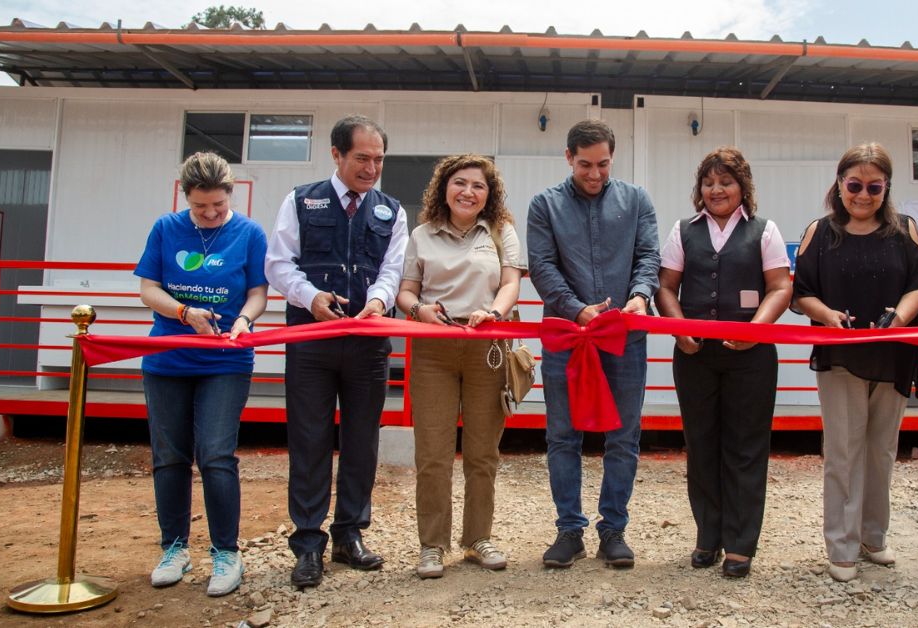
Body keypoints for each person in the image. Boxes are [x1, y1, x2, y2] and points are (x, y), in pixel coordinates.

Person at [265, 115, 409, 589]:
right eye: (362, 158)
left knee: (362, 441)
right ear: (337, 155)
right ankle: (308, 544)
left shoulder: (392, 211)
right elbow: (278, 263)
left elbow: (392, 269)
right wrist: (311, 298)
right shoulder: (301, 200)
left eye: (378, 159)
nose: (371, 168)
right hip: (311, 341)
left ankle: (350, 535)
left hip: (368, 343)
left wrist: (376, 302)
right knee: (309, 440)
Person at [792, 143, 918, 582]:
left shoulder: (904, 230)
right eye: (854, 185)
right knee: (843, 451)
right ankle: (842, 544)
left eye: (874, 186)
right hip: (841, 356)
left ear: (886, 188)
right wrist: (828, 316)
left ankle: (874, 536)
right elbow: (801, 293)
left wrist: (901, 318)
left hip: (895, 353)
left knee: (881, 449)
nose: (863, 195)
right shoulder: (821, 231)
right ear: (840, 184)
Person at [527, 119, 660, 568]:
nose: (595, 174)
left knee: (623, 436)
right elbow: (542, 266)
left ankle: (613, 530)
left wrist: (641, 297)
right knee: (563, 435)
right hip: (567, 334)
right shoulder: (544, 205)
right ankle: (569, 531)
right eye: (585, 164)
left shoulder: (637, 199)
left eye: (603, 164)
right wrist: (577, 309)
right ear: (568, 157)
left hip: (625, 335)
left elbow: (648, 256)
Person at [655, 146, 792, 578]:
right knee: (702, 445)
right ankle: (707, 537)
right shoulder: (682, 231)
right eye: (709, 182)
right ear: (700, 189)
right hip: (694, 356)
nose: (717, 189)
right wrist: (680, 331)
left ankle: (740, 544)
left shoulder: (764, 231)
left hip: (750, 357)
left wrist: (754, 330)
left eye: (726, 182)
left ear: (742, 187)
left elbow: (780, 288)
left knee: (746, 448)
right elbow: (666, 288)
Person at [135, 151, 268, 597]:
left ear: (230, 193)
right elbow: (148, 288)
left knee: (215, 454)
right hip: (167, 358)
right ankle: (174, 547)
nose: (209, 214)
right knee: (170, 455)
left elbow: (257, 292)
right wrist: (183, 311)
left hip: (225, 361)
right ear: (186, 197)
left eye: (217, 205)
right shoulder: (165, 228)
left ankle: (226, 553)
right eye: (200, 207)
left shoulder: (249, 233)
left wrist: (245, 320)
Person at [395, 155, 524, 579]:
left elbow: (510, 283)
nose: (469, 191)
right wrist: (419, 310)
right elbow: (406, 292)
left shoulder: (502, 231)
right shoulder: (421, 234)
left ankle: (477, 539)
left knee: (483, 451)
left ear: (490, 194)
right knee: (432, 452)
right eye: (460, 183)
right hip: (433, 350)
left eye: (479, 186)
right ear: (444, 188)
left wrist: (495, 312)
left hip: (486, 347)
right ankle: (432, 545)